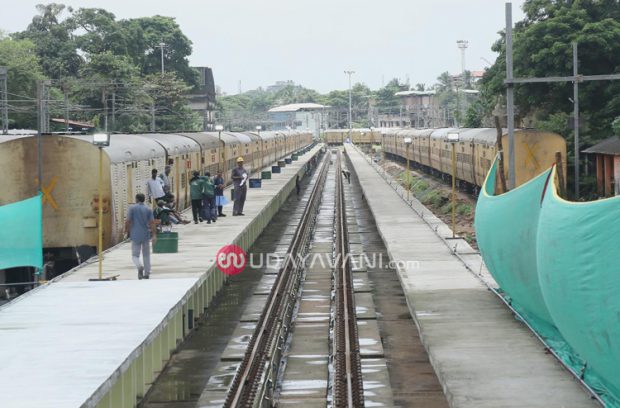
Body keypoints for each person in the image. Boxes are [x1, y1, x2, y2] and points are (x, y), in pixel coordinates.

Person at [125, 193, 157, 280]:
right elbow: (152, 223)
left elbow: (128, 221)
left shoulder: (132, 208)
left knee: (135, 255)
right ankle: (147, 273)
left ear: (137, 199)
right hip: (145, 234)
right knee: (146, 255)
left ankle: (139, 266)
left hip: (135, 234)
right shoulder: (148, 209)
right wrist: (154, 235)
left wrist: (126, 231)